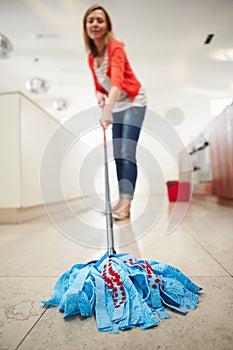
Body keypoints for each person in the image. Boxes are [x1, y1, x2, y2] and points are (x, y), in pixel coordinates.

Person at [83, 4, 147, 220]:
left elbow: (117, 82)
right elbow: (99, 85)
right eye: (91, 20)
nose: (95, 24)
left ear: (107, 26)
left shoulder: (115, 47)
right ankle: (121, 202)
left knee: (127, 152)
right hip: (116, 104)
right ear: (86, 26)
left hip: (133, 101)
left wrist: (106, 111)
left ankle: (126, 205)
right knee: (117, 154)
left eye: (100, 20)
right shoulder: (92, 57)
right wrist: (99, 95)